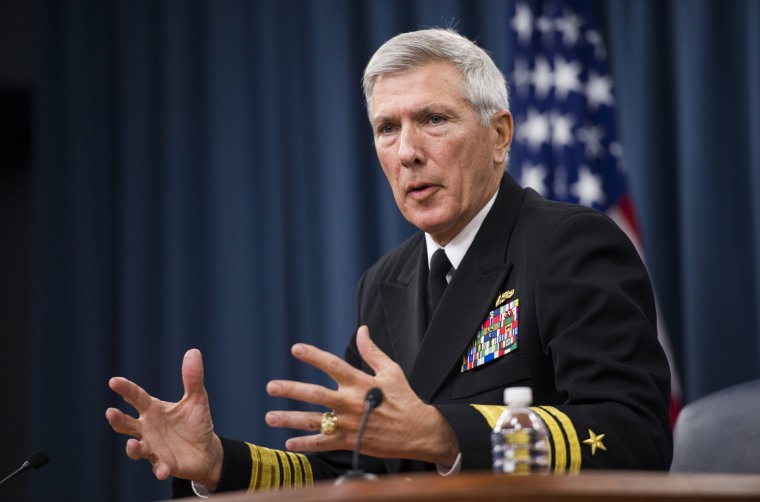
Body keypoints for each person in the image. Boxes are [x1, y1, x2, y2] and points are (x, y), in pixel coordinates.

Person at [106, 28, 672, 497]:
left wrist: (445, 435)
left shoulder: (568, 245)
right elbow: (349, 467)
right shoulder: (384, 282)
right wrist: (213, 464)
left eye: (434, 119)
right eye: (387, 128)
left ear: (499, 135)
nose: (407, 151)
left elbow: (633, 437)